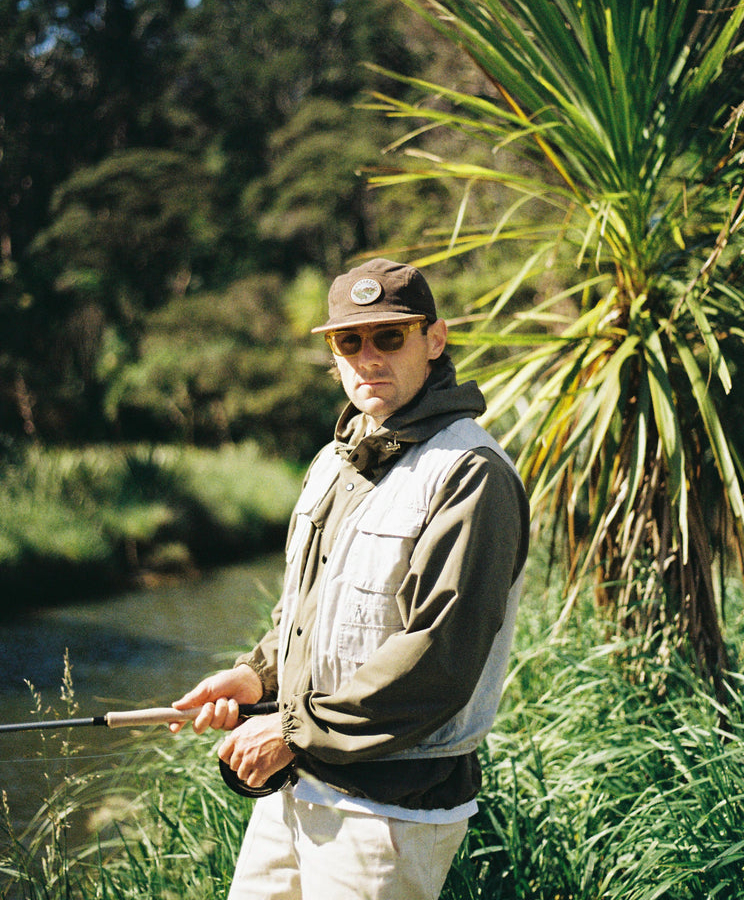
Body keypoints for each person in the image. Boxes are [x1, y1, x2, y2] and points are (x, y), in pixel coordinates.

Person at [173, 257, 529, 900]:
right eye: (350, 340)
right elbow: (306, 616)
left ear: (435, 339)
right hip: (295, 790)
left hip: (390, 810)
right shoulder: (333, 461)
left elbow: (440, 659)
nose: (368, 357)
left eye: (390, 337)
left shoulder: (471, 473)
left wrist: (286, 731)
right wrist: (257, 676)